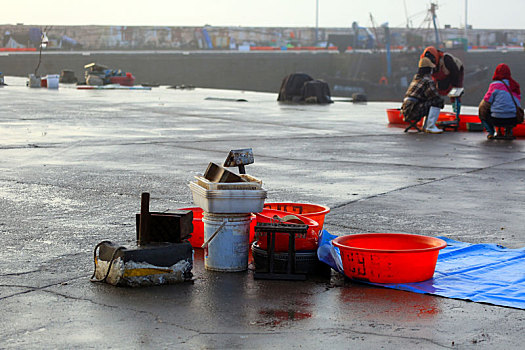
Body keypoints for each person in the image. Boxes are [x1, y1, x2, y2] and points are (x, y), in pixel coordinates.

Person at [401, 56, 445, 133]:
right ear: (429, 69)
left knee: (429, 102)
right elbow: (435, 96)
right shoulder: (427, 81)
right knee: (438, 101)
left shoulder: (416, 79)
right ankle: (430, 126)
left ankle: (425, 125)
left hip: (406, 111)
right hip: (414, 111)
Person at [478, 63, 521, 139]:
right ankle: (508, 131)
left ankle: (492, 132)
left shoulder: (495, 85)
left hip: (497, 119)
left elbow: (487, 101)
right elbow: (518, 102)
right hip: (513, 119)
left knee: (482, 111)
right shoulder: (514, 85)